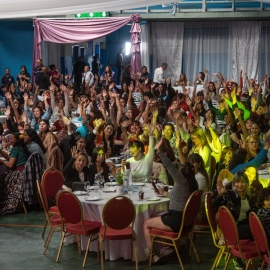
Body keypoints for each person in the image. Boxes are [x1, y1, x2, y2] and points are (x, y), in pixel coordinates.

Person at [144, 138, 198, 263]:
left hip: (176, 221)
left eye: (181, 168)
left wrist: (158, 151)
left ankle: (152, 256)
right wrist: (165, 193)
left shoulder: (181, 179)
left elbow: (168, 165)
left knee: (146, 224)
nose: (178, 169)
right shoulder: (192, 184)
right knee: (160, 214)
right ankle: (172, 249)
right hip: (187, 223)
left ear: (183, 172)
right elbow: (180, 198)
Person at [212, 172, 255, 269]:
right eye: (237, 182)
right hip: (232, 229)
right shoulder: (229, 194)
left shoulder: (248, 196)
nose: (240, 185)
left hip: (243, 225)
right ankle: (237, 255)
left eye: (243, 182)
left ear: (247, 184)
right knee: (258, 230)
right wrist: (219, 195)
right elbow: (213, 206)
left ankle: (257, 255)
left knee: (262, 226)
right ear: (233, 183)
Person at [0, 132, 30, 214]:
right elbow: (10, 157)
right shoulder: (22, 147)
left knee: (3, 178)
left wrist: (2, 162)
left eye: (12, 138)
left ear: (17, 140)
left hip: (19, 173)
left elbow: (10, 164)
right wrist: (1, 151)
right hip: (25, 173)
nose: (10, 140)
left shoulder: (15, 149)